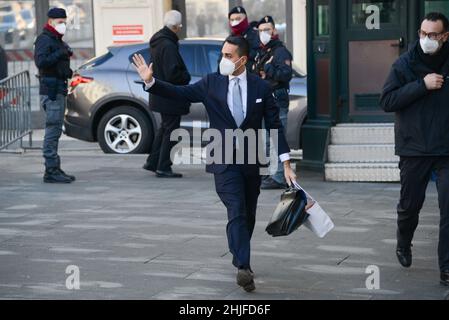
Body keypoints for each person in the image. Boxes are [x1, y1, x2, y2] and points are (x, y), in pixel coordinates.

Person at [133, 36, 297, 292]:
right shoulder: (211, 83)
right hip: (222, 159)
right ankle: (244, 266)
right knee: (236, 209)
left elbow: (275, 125)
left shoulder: (260, 88)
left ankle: (238, 252)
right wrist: (150, 82)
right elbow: (180, 92)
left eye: (228, 56)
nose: (223, 60)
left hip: (251, 159)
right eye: (222, 54)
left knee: (249, 213)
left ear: (242, 60)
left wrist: (286, 162)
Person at [380, 12, 449, 287]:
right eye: (423, 34)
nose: (426, 39)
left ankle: (446, 267)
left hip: (446, 148)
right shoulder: (404, 64)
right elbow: (387, 100)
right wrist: (422, 85)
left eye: (433, 35)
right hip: (414, 147)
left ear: (445, 36)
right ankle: (403, 241)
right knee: (410, 206)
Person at [142, 10, 191, 178]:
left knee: (164, 129)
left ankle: (153, 162)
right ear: (176, 27)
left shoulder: (158, 42)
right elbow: (173, 74)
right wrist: (186, 76)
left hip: (160, 93)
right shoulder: (168, 45)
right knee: (171, 131)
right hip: (170, 95)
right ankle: (163, 166)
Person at [34, 8, 75, 184]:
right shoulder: (44, 39)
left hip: (58, 88)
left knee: (56, 129)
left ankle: (55, 167)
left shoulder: (56, 39)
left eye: (65, 22)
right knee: (52, 130)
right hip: (51, 91)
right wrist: (60, 53)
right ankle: (50, 170)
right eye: (60, 22)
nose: (63, 25)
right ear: (51, 22)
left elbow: (56, 62)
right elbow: (41, 62)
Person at [254, 16, 293, 190]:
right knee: (267, 141)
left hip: (277, 99)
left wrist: (267, 69)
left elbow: (285, 74)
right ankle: (273, 173)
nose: (264, 33)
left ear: (274, 31)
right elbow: (256, 73)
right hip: (265, 100)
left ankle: (278, 177)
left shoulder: (280, 51)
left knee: (277, 137)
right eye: (261, 30)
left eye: (267, 30)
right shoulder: (263, 51)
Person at [228, 6, 260, 72]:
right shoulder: (229, 39)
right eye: (232, 20)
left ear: (245, 19)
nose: (235, 22)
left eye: (238, 19)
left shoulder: (256, 36)